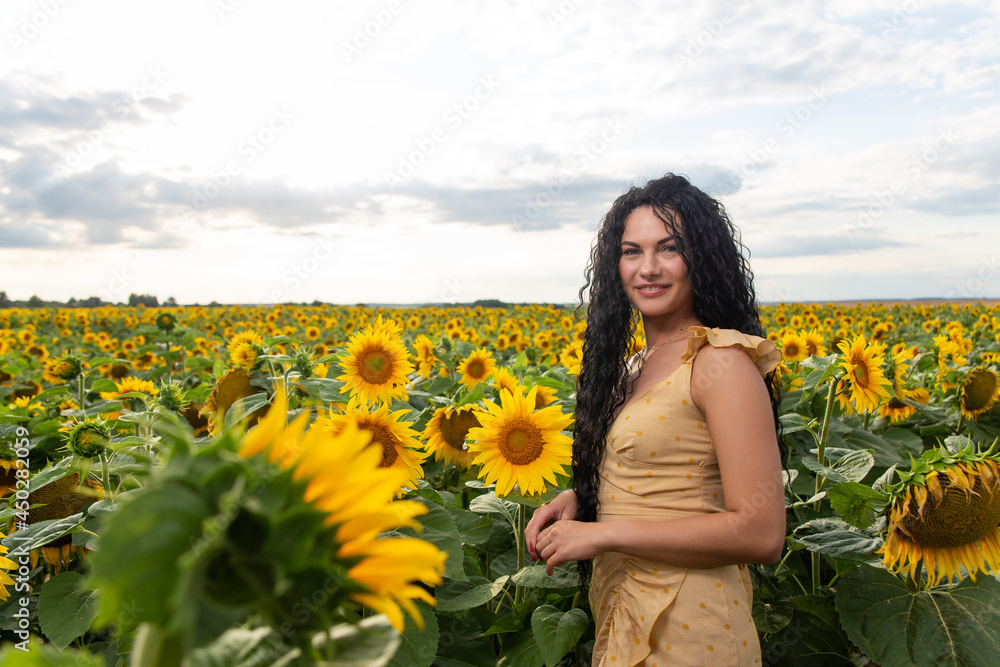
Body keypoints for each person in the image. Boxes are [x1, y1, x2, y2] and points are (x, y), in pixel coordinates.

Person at [524, 173, 786, 666]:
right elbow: (658, 478)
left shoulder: (720, 363)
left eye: (669, 248)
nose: (648, 268)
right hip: (624, 610)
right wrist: (580, 499)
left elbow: (761, 533)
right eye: (631, 251)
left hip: (693, 630)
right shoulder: (633, 367)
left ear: (702, 259)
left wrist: (604, 534)